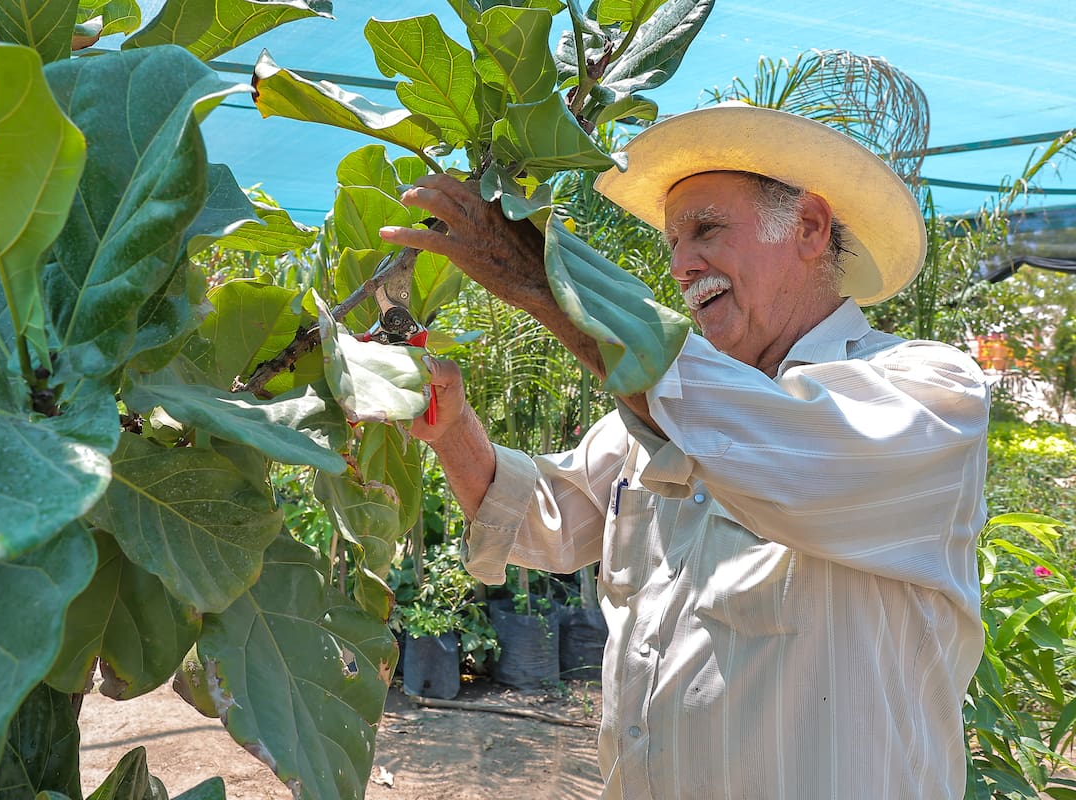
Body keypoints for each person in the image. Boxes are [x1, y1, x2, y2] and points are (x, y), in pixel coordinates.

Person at [378, 103, 990, 800]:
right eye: (672, 242)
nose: (679, 264)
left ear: (811, 229)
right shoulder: (668, 407)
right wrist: (451, 427)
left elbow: (766, 443)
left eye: (705, 229)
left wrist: (548, 282)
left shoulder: (926, 392)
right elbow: (546, 521)